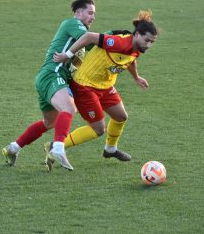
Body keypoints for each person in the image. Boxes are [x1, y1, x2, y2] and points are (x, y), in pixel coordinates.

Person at [45, 10, 158, 171]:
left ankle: (110, 150)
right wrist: (67, 55)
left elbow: (131, 60)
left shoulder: (137, 47)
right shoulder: (119, 42)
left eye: (152, 42)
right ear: (137, 34)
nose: (149, 45)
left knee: (121, 117)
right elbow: (89, 37)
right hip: (85, 85)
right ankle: (55, 146)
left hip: (105, 85)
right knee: (98, 129)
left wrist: (136, 77)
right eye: (147, 40)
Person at [2, 0, 96, 171]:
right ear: (78, 12)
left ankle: (13, 148)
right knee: (68, 109)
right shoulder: (73, 23)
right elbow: (92, 39)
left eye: (94, 14)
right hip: (52, 75)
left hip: (47, 78)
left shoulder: (82, 37)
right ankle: (58, 148)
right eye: (90, 13)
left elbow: (94, 44)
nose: (92, 17)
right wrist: (117, 37)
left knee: (49, 123)